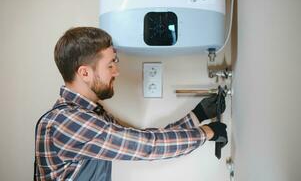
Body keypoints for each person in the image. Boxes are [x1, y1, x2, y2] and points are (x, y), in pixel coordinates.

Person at [34, 27, 228, 181]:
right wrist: (207, 132)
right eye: (110, 65)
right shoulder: (68, 121)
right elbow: (147, 147)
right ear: (85, 73)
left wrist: (198, 115)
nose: (116, 71)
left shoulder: (89, 115)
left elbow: (141, 139)